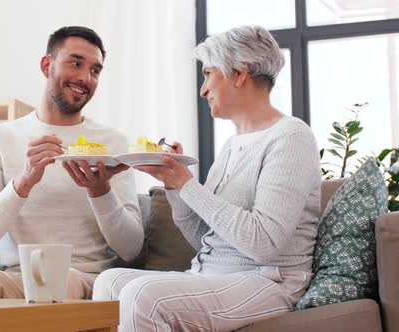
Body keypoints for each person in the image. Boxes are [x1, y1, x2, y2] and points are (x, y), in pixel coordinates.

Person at [92, 25, 321, 331]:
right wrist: (174, 186)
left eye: (209, 73)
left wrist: (188, 183)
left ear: (239, 73)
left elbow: (265, 244)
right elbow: (205, 241)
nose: (203, 90)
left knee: (143, 297)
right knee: (110, 282)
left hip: (269, 281)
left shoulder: (291, 137)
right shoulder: (231, 145)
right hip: (213, 275)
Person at [0, 26, 143, 300]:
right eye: (75, 63)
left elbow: (131, 248)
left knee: (60, 280)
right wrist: (22, 183)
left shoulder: (112, 144)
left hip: (83, 282)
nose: (85, 77)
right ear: (47, 65)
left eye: (95, 70)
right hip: (17, 278)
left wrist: (101, 192)